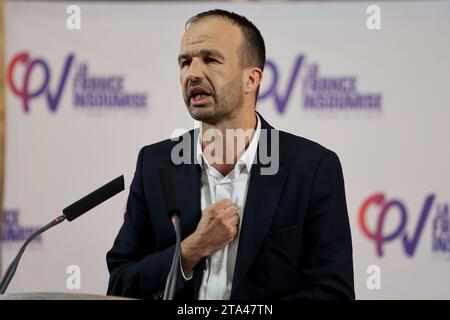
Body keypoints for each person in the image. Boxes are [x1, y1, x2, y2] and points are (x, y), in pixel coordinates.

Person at [106, 9, 355, 300]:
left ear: (252, 79)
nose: (193, 74)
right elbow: (120, 283)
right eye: (185, 62)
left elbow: (332, 293)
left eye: (210, 59)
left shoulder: (312, 169)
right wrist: (191, 250)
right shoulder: (155, 164)